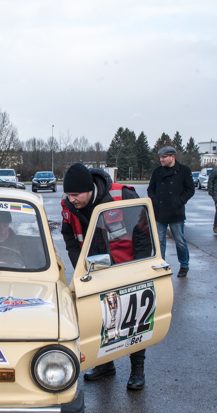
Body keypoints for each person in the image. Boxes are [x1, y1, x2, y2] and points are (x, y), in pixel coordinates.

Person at [60, 163, 148, 390]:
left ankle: (138, 370)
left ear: (89, 189)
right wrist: (81, 267)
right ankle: (105, 365)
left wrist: (138, 268)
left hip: (126, 270)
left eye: (76, 194)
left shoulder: (122, 195)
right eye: (68, 194)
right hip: (94, 272)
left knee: (133, 321)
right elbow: (69, 237)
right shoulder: (68, 206)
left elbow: (143, 234)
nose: (71, 199)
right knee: (101, 320)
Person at [147, 146, 194, 278]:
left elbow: (190, 190)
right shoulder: (157, 172)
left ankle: (184, 265)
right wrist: (155, 201)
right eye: (160, 157)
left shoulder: (184, 171)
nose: (160, 159)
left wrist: (179, 201)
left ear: (172, 157)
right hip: (159, 212)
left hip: (176, 213)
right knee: (160, 241)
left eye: (163, 157)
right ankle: (161, 265)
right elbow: (151, 190)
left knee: (180, 241)